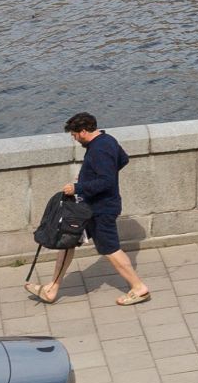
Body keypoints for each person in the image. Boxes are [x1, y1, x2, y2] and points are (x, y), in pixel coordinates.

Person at [34, 112, 152, 305]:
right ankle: (52, 289)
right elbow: (123, 160)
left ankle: (139, 288)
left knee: (110, 249)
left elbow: (105, 181)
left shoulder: (98, 150)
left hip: (101, 208)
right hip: (91, 206)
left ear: (83, 131)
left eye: (74, 135)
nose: (74, 138)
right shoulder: (108, 140)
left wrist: (78, 187)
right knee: (68, 240)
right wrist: (91, 179)